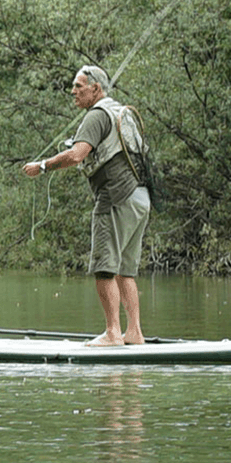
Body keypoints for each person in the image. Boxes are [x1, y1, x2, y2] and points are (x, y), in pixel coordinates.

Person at [22, 65, 152, 347]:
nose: (73, 91)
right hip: (141, 198)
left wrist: (42, 166)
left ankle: (113, 334)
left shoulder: (96, 116)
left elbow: (77, 155)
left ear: (96, 89)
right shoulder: (121, 112)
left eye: (79, 86)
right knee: (125, 271)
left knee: (105, 269)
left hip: (115, 198)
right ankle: (134, 333)